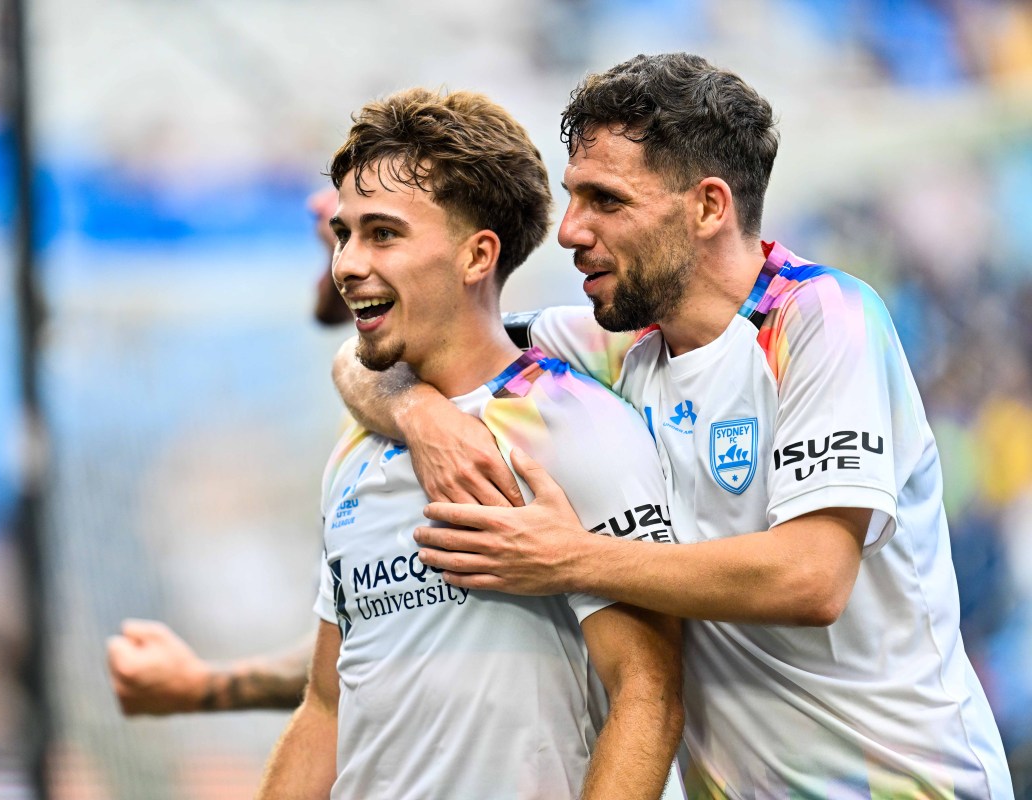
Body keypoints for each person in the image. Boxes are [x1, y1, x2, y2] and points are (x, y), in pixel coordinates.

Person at [332, 54, 1014, 798]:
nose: (569, 231)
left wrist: (571, 558)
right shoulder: (616, 343)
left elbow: (813, 576)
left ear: (709, 207)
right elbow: (396, 350)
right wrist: (419, 413)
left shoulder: (823, 318)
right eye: (571, 198)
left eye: (605, 201)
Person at [258, 87, 682, 799]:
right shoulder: (356, 450)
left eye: (383, 234)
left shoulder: (574, 427)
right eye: (345, 235)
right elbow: (327, 706)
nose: (347, 264)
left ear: (477, 254)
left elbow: (651, 694)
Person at [106, 187, 346, 717]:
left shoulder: (455, 421)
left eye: (350, 190)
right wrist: (201, 687)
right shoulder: (370, 415)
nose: (313, 203)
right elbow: (355, 657)